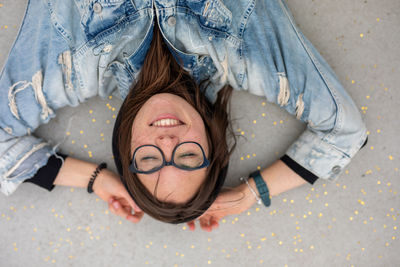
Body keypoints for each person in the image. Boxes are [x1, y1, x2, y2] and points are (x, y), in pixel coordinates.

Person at [0, 0, 367, 231]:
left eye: (147, 159)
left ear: (126, 148)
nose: (167, 142)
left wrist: (95, 179)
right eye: (189, 156)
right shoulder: (246, 57)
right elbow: (344, 132)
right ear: (213, 142)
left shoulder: (70, 70)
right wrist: (250, 193)